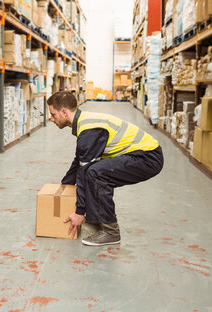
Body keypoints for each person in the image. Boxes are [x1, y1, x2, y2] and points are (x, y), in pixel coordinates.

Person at [47, 91, 164, 246]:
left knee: (95, 173)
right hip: (140, 154)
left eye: (53, 114)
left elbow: (83, 170)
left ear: (64, 112)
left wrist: (79, 212)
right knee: (91, 170)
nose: (51, 118)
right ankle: (97, 220)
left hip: (147, 157)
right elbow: (79, 161)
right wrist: (64, 188)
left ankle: (111, 231)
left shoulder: (89, 129)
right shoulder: (84, 122)